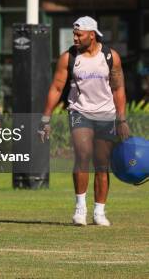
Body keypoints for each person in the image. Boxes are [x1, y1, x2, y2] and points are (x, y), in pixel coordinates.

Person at [40, 16, 129, 226]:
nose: (75, 38)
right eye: (74, 34)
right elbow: (56, 88)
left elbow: (118, 88)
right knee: (82, 154)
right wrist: (45, 118)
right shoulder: (68, 58)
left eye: (79, 34)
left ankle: (99, 211)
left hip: (106, 113)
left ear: (92, 34)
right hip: (79, 111)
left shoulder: (110, 56)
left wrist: (121, 118)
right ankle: (80, 207)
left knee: (101, 163)